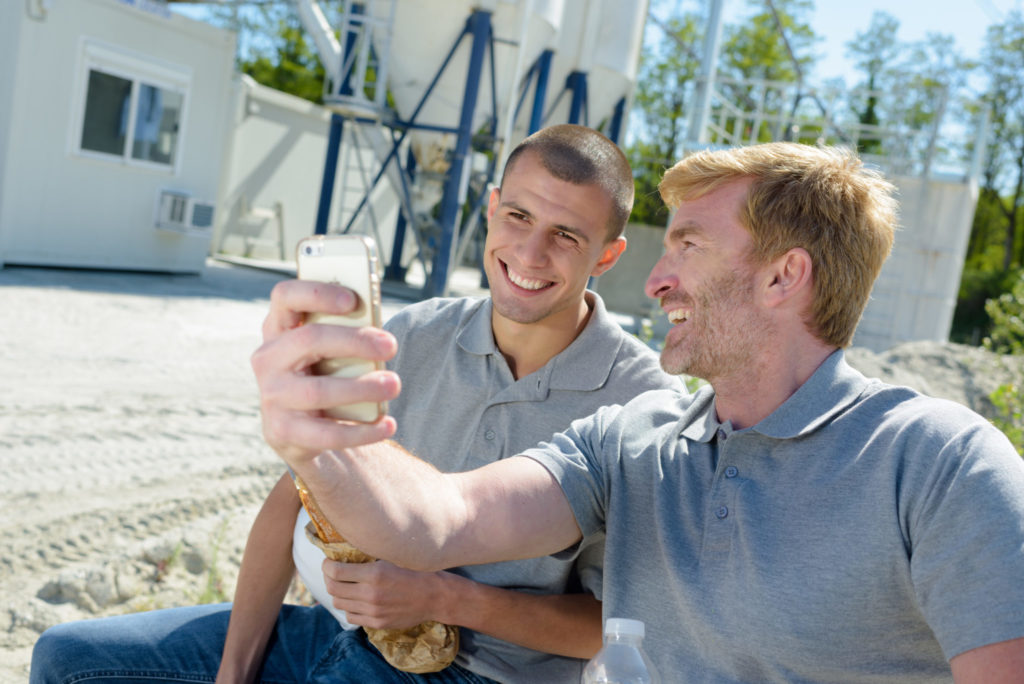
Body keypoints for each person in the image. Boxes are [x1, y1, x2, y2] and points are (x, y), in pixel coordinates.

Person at [252, 142, 1024, 682]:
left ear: (784, 277)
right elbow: (438, 521)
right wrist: (325, 437)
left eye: (688, 245)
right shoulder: (634, 444)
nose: (654, 282)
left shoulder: (939, 464)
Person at [31, 124, 682, 683]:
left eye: (566, 235)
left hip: (483, 674)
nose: (530, 253)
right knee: (68, 659)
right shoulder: (409, 336)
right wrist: (235, 673)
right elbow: (293, 498)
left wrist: (441, 597)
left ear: (609, 254)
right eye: (518, 216)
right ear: (489, 209)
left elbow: (621, 628)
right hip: (339, 632)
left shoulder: (645, 404)